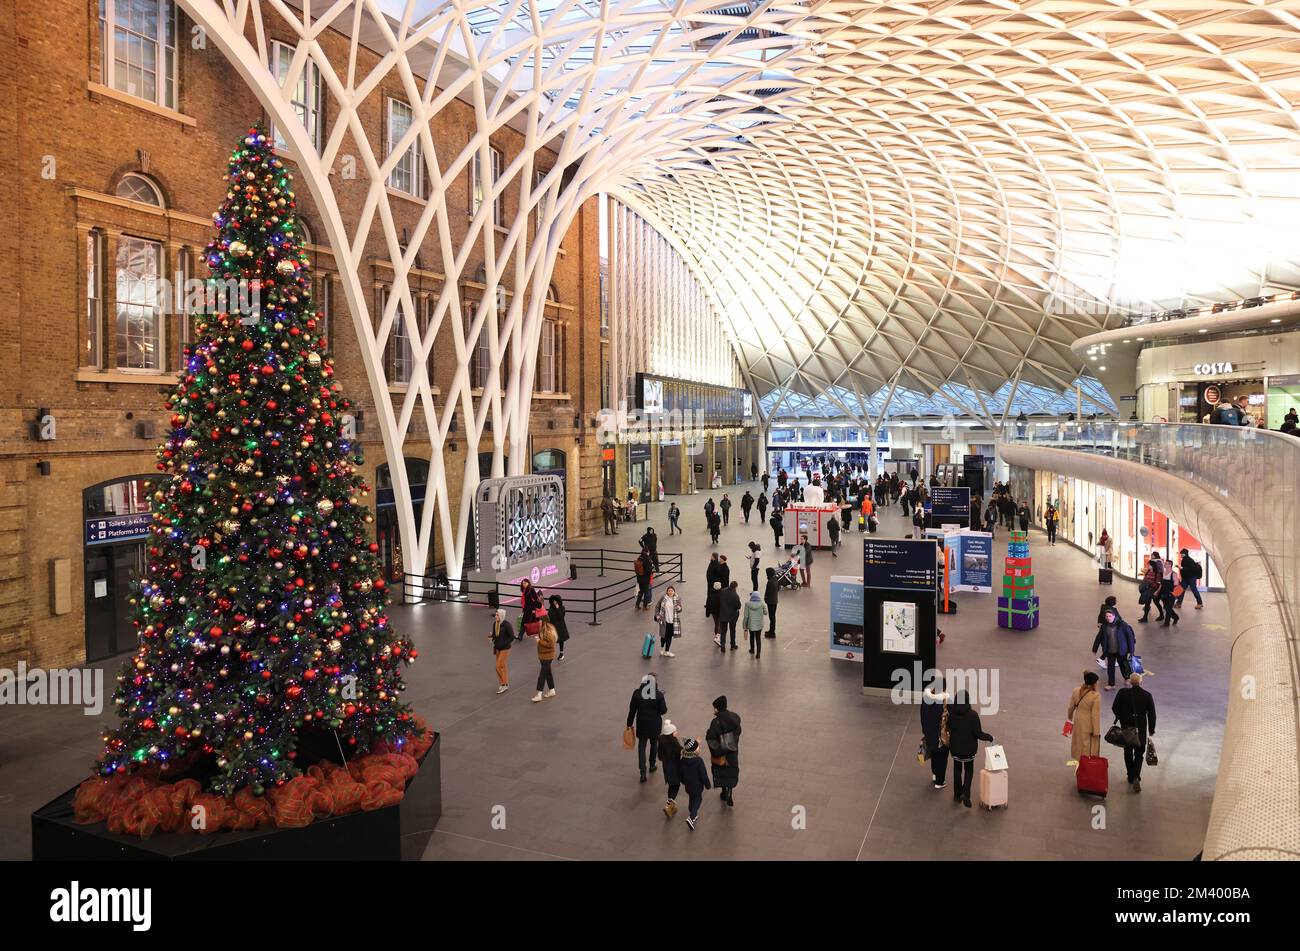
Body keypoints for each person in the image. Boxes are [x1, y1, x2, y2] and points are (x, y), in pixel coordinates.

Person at [945, 691, 994, 808]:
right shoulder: (973, 715)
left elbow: (948, 729)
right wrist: (989, 737)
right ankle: (966, 793)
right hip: (969, 750)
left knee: (957, 769)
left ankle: (957, 794)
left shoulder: (952, 714)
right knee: (969, 770)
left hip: (956, 749)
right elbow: (978, 733)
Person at [1112, 672, 1157, 792]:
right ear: (1141, 682)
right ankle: (1136, 775)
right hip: (1140, 730)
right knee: (1139, 753)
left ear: (1130, 682)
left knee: (1127, 752)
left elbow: (1115, 707)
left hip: (1126, 728)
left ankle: (1130, 775)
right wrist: (1151, 729)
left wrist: (1121, 718)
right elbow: (1152, 715)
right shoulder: (1147, 695)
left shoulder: (1122, 693)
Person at [627, 673, 668, 783]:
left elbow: (632, 711)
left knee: (642, 747)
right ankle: (652, 764)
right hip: (654, 726)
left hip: (642, 725)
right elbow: (663, 710)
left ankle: (642, 772)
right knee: (654, 744)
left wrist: (629, 724)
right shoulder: (658, 695)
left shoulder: (637, 694)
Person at [706, 695, 742, 807]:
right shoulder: (735, 717)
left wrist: (719, 749)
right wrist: (730, 743)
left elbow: (711, 738)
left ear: (717, 708)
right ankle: (730, 792)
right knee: (731, 771)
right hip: (732, 752)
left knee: (721, 771)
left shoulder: (715, 722)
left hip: (721, 754)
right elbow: (737, 732)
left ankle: (724, 791)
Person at [1092, 606, 1135, 689]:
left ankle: (1127, 678)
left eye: (1110, 616)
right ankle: (1111, 684)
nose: (1108, 618)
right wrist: (1095, 648)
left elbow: (1130, 638)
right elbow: (1099, 637)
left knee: (1123, 666)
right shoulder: (1104, 626)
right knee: (1110, 668)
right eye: (1107, 616)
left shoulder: (1122, 625)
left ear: (1114, 616)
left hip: (1121, 651)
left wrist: (1131, 651)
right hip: (1110, 651)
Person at [919, 677, 950, 789]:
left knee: (933, 754)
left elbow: (922, 716)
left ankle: (934, 774)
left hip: (929, 733)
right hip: (941, 736)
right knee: (942, 757)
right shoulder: (945, 702)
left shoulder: (925, 698)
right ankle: (940, 782)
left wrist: (925, 730)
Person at [1066, 671, 1102, 765]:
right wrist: (1096, 731)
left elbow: (1070, 707)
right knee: (1087, 744)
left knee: (1078, 741)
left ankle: (1078, 759)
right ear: (1094, 683)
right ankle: (1085, 764)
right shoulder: (1096, 696)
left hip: (1078, 719)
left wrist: (1070, 719)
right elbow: (1095, 715)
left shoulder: (1076, 690)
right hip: (1088, 722)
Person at [679, 737, 711, 830]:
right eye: (698, 747)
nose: (699, 748)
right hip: (697, 785)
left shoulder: (683, 760)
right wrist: (707, 785)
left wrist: (683, 781)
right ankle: (692, 817)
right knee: (698, 799)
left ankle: (692, 811)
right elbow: (703, 774)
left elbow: (680, 772)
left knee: (691, 797)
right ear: (694, 750)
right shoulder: (698, 761)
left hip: (688, 784)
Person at [659, 720, 683, 818]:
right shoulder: (673, 743)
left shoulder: (662, 741)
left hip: (666, 766)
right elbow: (682, 750)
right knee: (676, 785)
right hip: (674, 767)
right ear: (671, 734)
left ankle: (670, 802)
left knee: (672, 785)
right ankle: (669, 804)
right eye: (675, 731)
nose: (676, 733)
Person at [531, 619, 559, 702]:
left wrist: (539, 641)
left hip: (548, 656)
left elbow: (551, 644)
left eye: (540, 620)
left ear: (544, 621)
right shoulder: (542, 629)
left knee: (542, 675)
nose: (538, 622)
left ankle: (539, 694)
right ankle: (552, 690)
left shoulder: (548, 631)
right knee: (548, 673)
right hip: (543, 655)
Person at [489, 608, 514, 694]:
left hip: (505, 649)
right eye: (495, 615)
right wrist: (491, 637)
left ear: (501, 616)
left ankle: (504, 684)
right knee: (502, 666)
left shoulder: (507, 625)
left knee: (498, 666)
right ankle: (503, 683)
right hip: (497, 648)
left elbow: (512, 636)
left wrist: (504, 644)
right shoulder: (495, 624)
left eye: (497, 615)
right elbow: (495, 635)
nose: (496, 616)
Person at [654, 585, 683, 657]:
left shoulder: (677, 599)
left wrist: (679, 608)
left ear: (674, 592)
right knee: (663, 636)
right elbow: (657, 606)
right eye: (669, 591)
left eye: (672, 591)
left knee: (669, 636)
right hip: (664, 621)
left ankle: (667, 651)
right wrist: (657, 615)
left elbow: (680, 609)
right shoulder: (663, 598)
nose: (670, 592)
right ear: (667, 591)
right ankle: (661, 648)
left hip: (673, 621)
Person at [1139, 552, 1164, 622]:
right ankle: (1145, 617)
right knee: (1147, 603)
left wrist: (1151, 585)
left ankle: (1161, 614)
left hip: (1154, 590)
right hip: (1148, 591)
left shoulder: (1157, 574)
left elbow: (1158, 583)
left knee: (1156, 603)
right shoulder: (1148, 572)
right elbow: (1145, 580)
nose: (1148, 566)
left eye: (1149, 565)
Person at [742, 590, 768, 657]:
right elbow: (766, 613)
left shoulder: (747, 604)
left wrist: (744, 626)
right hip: (759, 624)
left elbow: (746, 616)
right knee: (758, 638)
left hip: (751, 624)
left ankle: (752, 650)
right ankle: (758, 653)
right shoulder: (762, 604)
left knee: (752, 637)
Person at [719, 580, 742, 652]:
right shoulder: (735, 595)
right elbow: (738, 606)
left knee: (723, 631)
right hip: (732, 616)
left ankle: (722, 645)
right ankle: (732, 645)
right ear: (735, 587)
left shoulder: (722, 591)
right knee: (732, 630)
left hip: (723, 615)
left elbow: (719, 600)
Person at [547, 593, 570, 661]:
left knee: (561, 640)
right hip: (553, 627)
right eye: (553, 601)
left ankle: (561, 653)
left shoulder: (562, 608)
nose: (554, 602)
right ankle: (550, 653)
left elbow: (561, 616)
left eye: (556, 601)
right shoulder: (551, 607)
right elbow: (549, 616)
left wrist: (557, 608)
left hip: (560, 627)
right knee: (552, 640)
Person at [1158, 561, 1180, 627]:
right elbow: (1161, 584)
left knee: (1168, 608)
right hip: (1164, 593)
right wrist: (1158, 591)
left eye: (1166, 563)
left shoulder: (1173, 574)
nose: (1164, 564)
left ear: (1170, 565)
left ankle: (1167, 623)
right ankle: (1175, 617)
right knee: (1166, 607)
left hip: (1171, 593)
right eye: (1164, 563)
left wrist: (1168, 585)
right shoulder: (1164, 573)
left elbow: (1177, 583)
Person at [763, 566, 779, 639]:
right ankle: (771, 630)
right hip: (775, 600)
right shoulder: (775, 579)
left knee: (771, 617)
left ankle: (772, 632)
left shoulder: (770, 582)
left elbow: (768, 592)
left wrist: (765, 598)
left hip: (771, 602)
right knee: (773, 617)